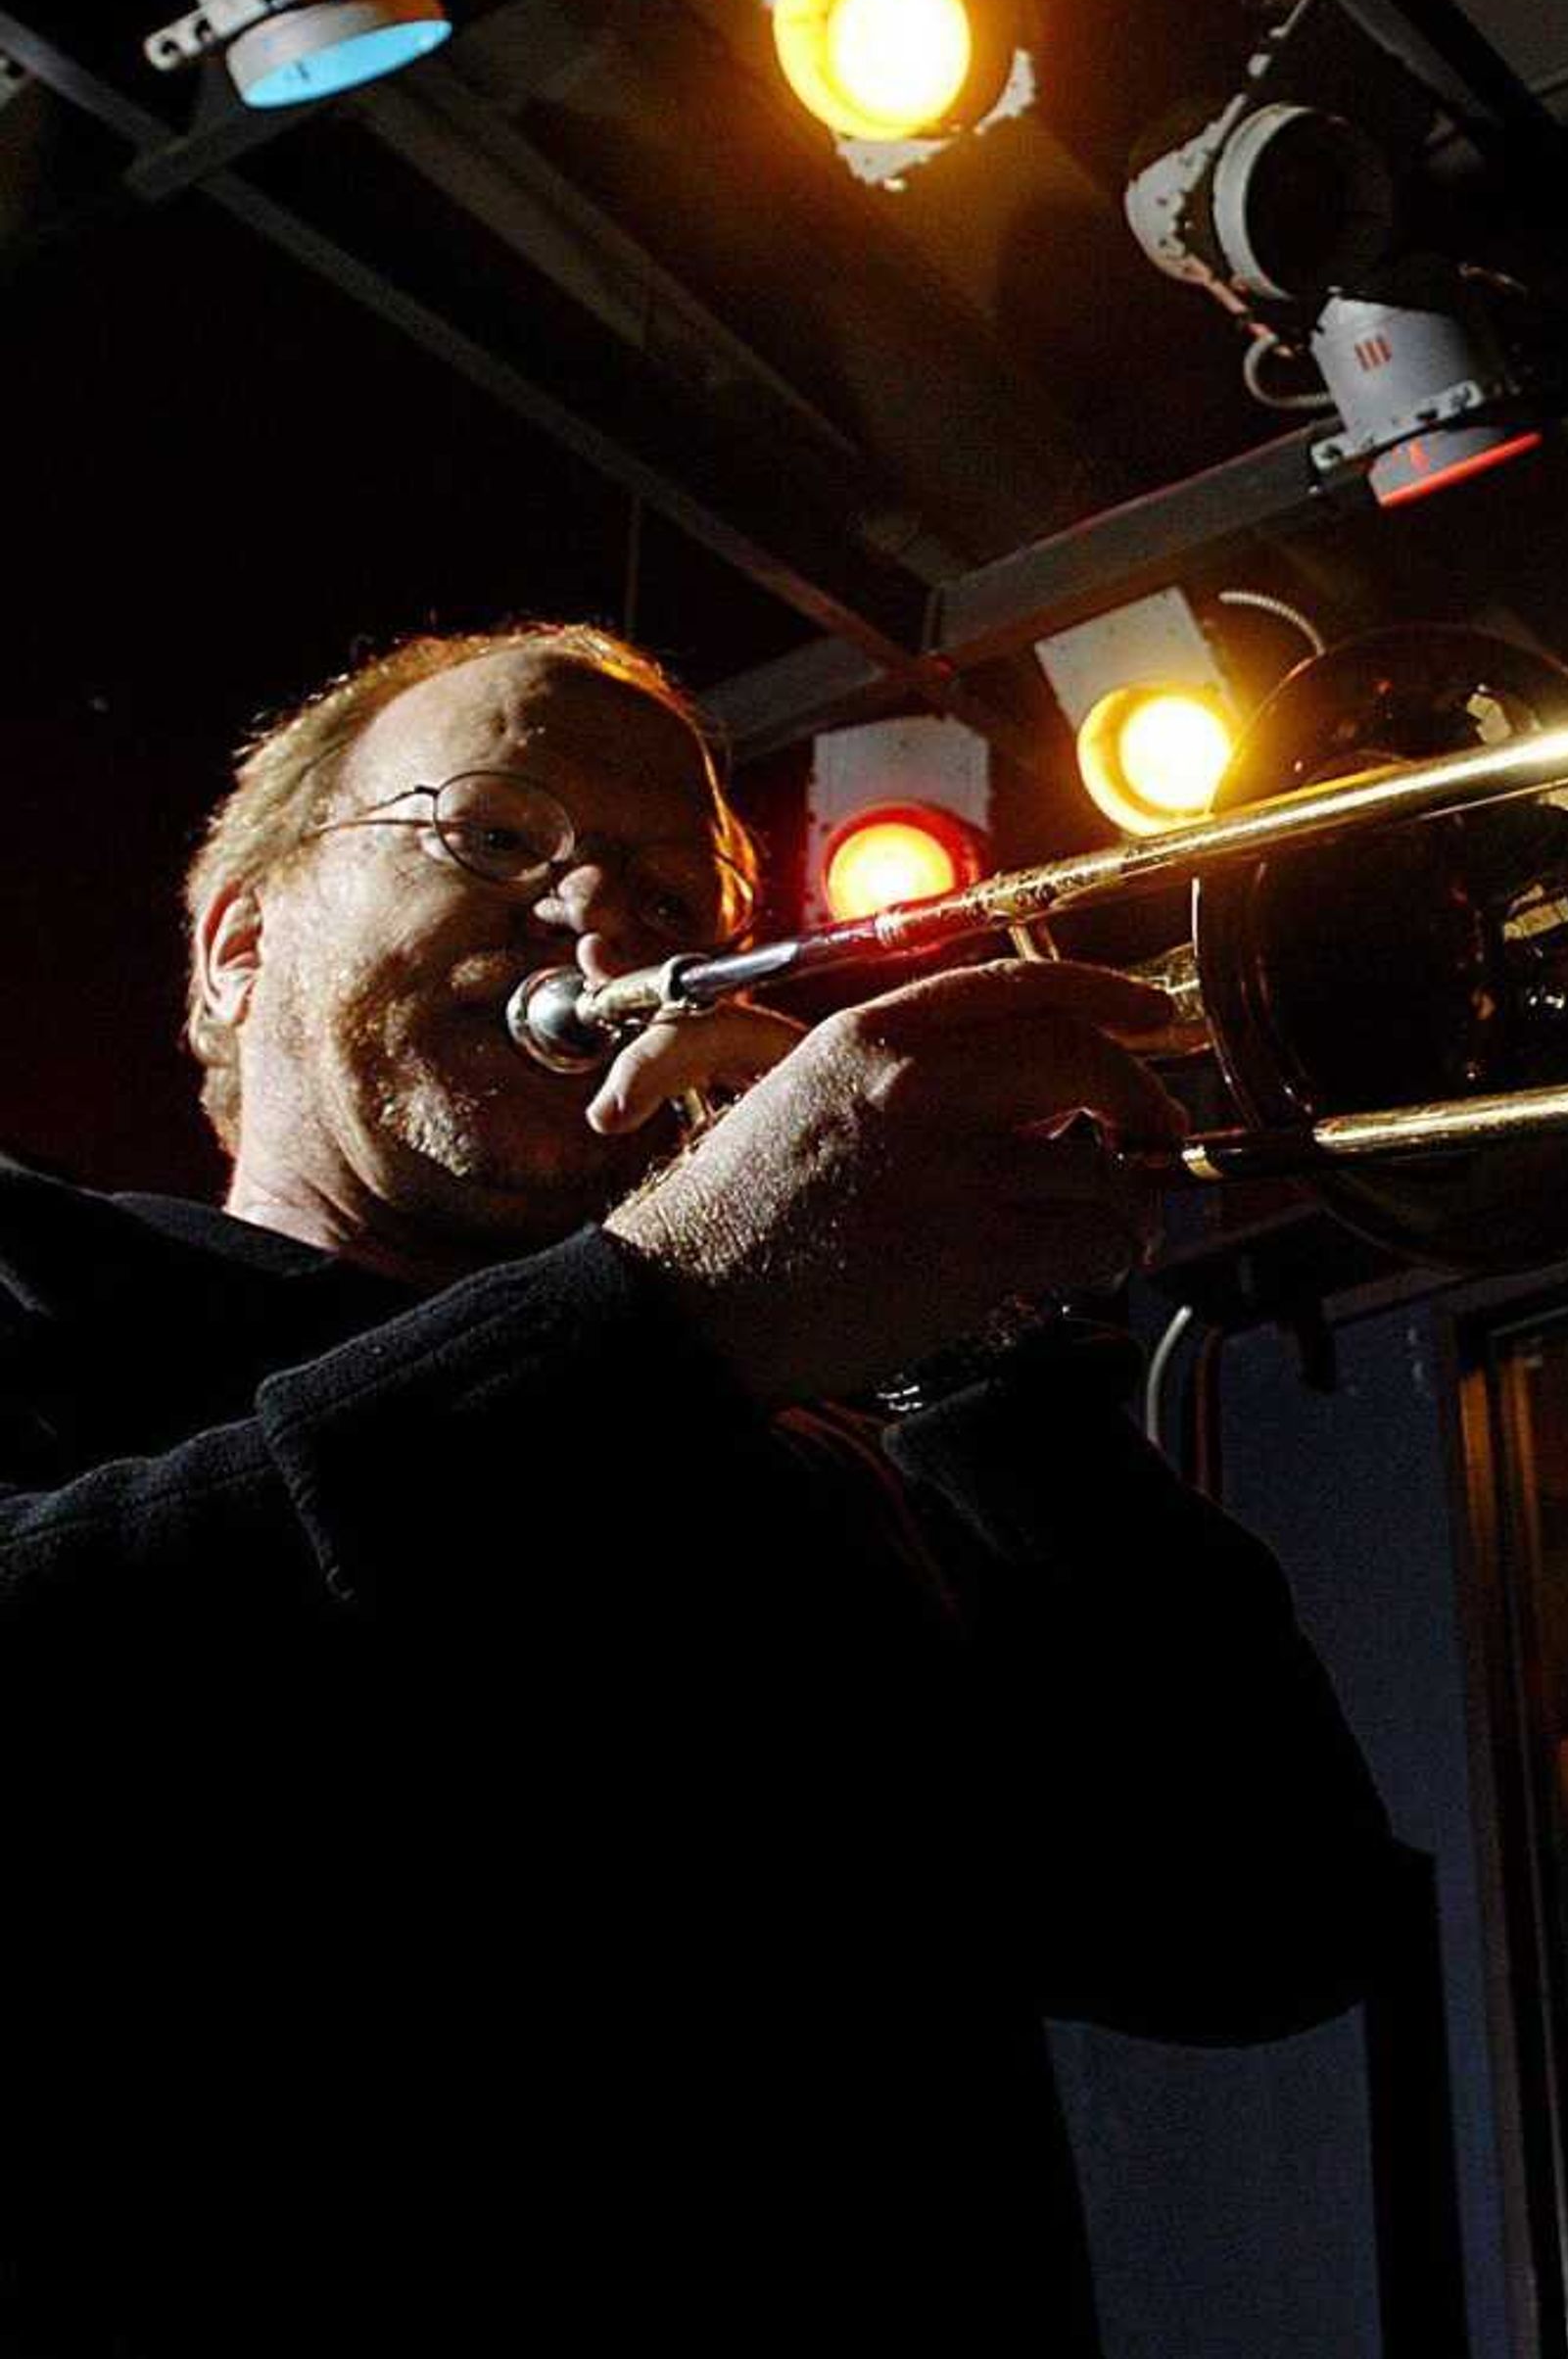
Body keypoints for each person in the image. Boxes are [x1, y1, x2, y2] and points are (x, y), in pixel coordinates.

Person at [0, 626, 1390, 2354]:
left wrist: (969, 1351)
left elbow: (1264, 1920)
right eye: (497, 835)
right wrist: (667, 1304)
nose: (604, 929)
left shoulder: (808, 1469)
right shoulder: (35, 1278)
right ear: (235, 949)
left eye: (675, 901)